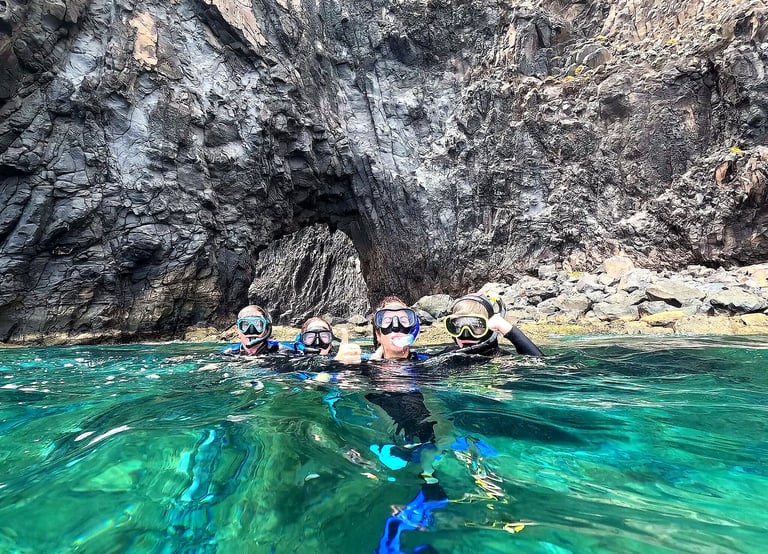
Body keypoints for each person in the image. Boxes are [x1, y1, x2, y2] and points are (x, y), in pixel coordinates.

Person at [441, 293, 543, 356]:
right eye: (458, 326)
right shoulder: (449, 353)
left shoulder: (500, 358)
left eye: (476, 326)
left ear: (490, 327)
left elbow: (540, 368)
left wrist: (506, 328)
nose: (466, 333)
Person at [369, 296, 428, 361]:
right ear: (378, 335)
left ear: (412, 331)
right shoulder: (363, 364)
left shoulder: (427, 362)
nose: (396, 327)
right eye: (387, 321)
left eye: (403, 321)